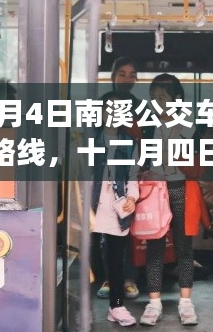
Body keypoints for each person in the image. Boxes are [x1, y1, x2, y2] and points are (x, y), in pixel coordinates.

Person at [138, 73, 199, 326]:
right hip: (155, 193)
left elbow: (197, 164)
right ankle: (154, 303)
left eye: (162, 98)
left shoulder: (190, 127)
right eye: (153, 98)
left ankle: (186, 302)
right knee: (155, 247)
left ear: (177, 99)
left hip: (181, 188)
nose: (156, 103)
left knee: (184, 246)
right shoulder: (147, 126)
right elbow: (141, 161)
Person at [91, 90, 140, 327]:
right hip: (91, 204)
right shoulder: (89, 139)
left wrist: (132, 197)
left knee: (116, 258)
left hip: (116, 206)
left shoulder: (130, 144)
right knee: (87, 255)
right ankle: (78, 306)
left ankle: (116, 306)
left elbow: (133, 177)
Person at [97, 57, 141, 301]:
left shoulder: (140, 107)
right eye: (122, 73)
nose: (127, 78)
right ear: (113, 76)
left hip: (129, 177)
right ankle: (109, 278)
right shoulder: (101, 106)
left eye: (131, 74)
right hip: (102, 184)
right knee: (104, 236)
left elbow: (146, 141)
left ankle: (129, 279)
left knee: (128, 233)